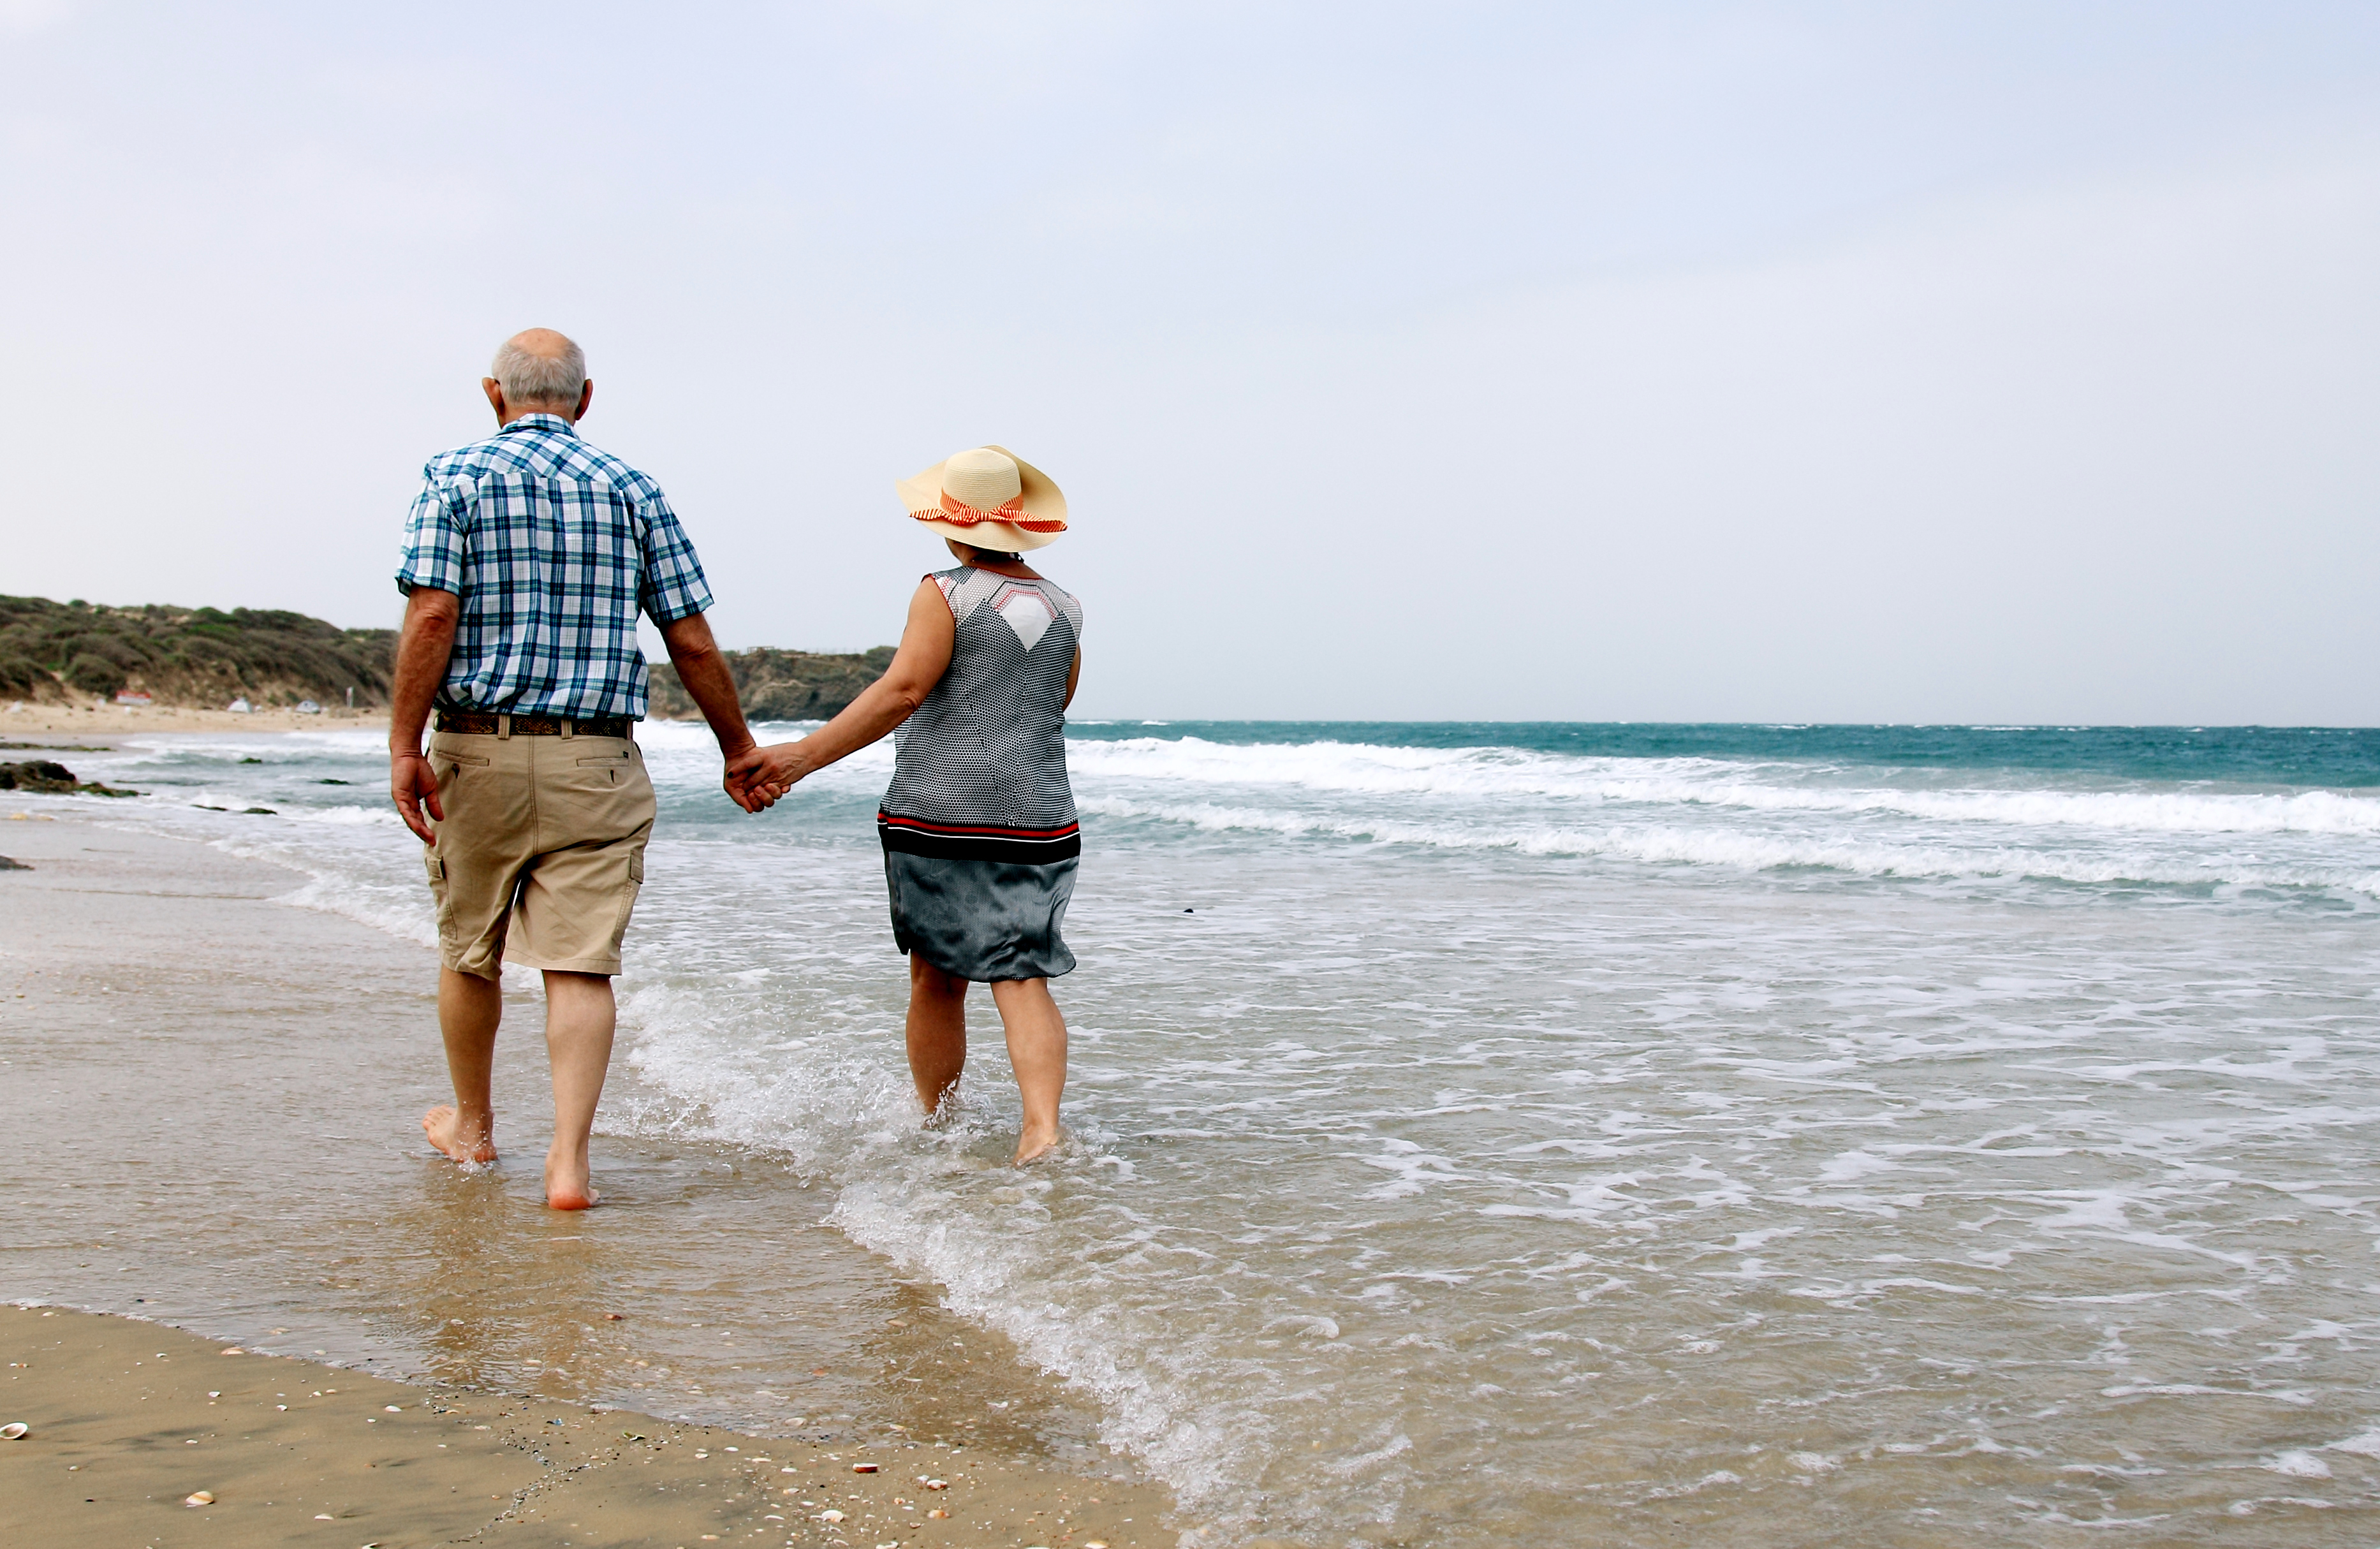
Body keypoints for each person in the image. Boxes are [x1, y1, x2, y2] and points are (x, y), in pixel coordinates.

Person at [387, 328, 767, 1209]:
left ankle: (475, 1133)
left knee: (469, 949)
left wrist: (406, 744)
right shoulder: (632, 488)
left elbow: (433, 616)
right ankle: (568, 1163)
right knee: (580, 965)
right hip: (596, 756)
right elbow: (690, 636)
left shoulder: (455, 477)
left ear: (494, 395)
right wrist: (737, 748)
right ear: (585, 400)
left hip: (475, 747)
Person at [744, 446, 1083, 1164]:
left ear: (950, 527)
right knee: (1023, 971)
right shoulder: (1066, 606)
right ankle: (1042, 1129)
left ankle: (936, 1121)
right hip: (1043, 816)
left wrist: (798, 758)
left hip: (942, 813)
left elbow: (903, 691)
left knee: (937, 972)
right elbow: (1053, 703)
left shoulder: (945, 590)